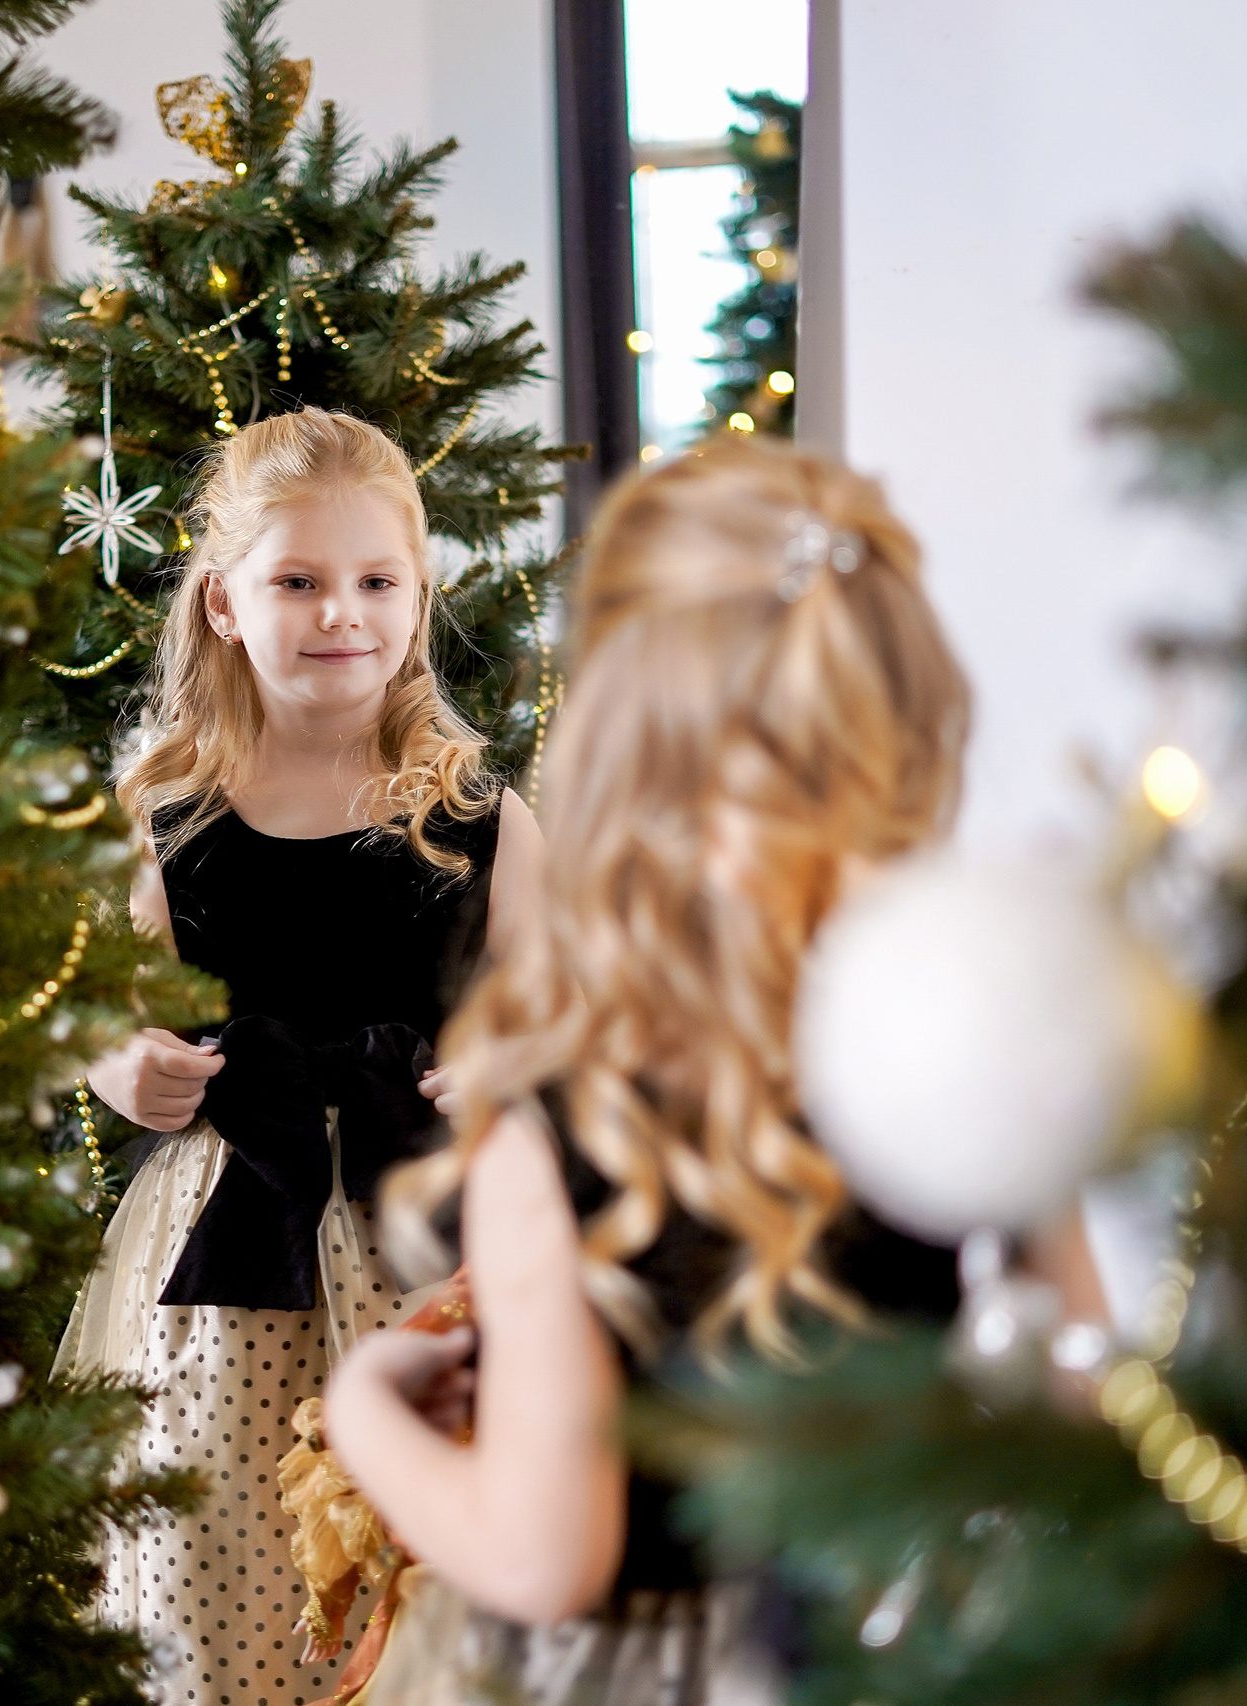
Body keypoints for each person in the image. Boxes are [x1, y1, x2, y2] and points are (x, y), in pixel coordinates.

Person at [323, 438, 970, 1706]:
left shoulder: (561, 1120)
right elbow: (1080, 1382)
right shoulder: (970, 1065)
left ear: (625, 765)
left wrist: (366, 1421)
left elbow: (543, 1554)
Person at [54, 407, 544, 1706]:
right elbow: (92, 1007)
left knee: (424, 1581)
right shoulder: (165, 817)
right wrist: (117, 1063)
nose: (344, 613)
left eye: (377, 580)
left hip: (429, 1252)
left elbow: (560, 1016)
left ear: (419, 589)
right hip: (224, 1246)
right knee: (210, 1555)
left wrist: (507, 1072)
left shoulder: (478, 818)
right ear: (223, 601)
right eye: (299, 581)